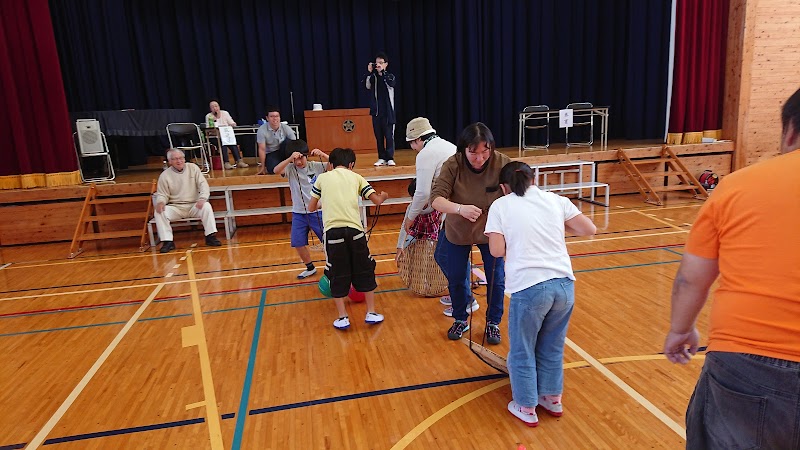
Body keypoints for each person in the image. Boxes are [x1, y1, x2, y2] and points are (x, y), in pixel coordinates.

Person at [663, 88, 800, 449]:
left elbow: (692, 277)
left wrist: (680, 330)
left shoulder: (739, 186)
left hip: (750, 359)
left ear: (789, 132)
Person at [485, 161, 596, 427]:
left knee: (523, 350)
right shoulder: (555, 201)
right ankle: (552, 398)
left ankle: (526, 405)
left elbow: (496, 250)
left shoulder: (501, 205)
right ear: (534, 180)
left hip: (530, 287)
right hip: (564, 286)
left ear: (504, 187)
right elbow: (588, 229)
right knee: (552, 346)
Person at [430, 122, 511, 343]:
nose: (480, 158)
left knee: (497, 278)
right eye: (473, 153)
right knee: (456, 277)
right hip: (458, 230)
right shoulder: (452, 165)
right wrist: (459, 209)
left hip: (491, 232)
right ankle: (460, 318)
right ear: (463, 149)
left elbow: (520, 191)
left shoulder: (502, 163)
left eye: (485, 152)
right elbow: (436, 199)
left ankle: (493, 322)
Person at [395, 117, 473, 315]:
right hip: (461, 206)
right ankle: (461, 295)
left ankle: (466, 299)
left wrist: (411, 217)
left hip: (455, 209)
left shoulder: (426, 154)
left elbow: (422, 193)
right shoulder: (448, 145)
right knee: (453, 254)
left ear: (417, 140)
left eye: (411, 143)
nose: (413, 148)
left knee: (445, 255)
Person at [308, 147, 389, 330]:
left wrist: (325, 201)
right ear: (351, 164)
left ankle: (343, 317)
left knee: (337, 272)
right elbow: (376, 200)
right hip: (355, 231)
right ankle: (371, 312)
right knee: (365, 269)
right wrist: (383, 195)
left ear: (330, 164)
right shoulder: (356, 177)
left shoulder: (322, 178)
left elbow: (311, 207)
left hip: (333, 233)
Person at [272, 139, 329, 279]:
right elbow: (276, 170)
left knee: (328, 241)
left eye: (301, 158)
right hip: (298, 213)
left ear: (306, 155)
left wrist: (323, 154)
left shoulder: (316, 166)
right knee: (298, 242)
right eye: (296, 159)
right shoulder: (290, 169)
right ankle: (310, 268)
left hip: (318, 212)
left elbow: (337, 165)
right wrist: (290, 159)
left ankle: (331, 265)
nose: (299, 162)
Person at [153, 148, 222, 253]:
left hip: (194, 205)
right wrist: (161, 203)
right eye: (175, 159)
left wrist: (202, 198)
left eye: (181, 158)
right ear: (170, 161)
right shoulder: (164, 175)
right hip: (175, 207)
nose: (179, 161)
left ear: (184, 159)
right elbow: (162, 194)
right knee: (159, 211)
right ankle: (167, 242)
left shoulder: (193, 168)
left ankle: (210, 237)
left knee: (206, 206)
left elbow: (203, 186)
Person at [363, 52, 397, 166]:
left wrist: (383, 73)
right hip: (376, 112)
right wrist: (369, 72)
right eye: (377, 63)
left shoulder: (389, 76)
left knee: (389, 136)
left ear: (386, 64)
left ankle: (390, 157)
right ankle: (381, 157)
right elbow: (367, 85)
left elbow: (391, 84)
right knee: (379, 137)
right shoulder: (373, 77)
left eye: (381, 63)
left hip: (388, 113)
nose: (378, 65)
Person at [204, 100, 248, 169]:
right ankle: (226, 162)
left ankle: (239, 161)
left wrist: (233, 124)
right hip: (215, 137)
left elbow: (232, 123)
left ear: (219, 107)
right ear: (210, 109)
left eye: (216, 106)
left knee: (232, 143)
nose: (215, 108)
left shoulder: (225, 113)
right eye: (212, 107)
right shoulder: (209, 116)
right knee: (223, 144)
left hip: (226, 135)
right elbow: (208, 128)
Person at [256, 106, 297, 175]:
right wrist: (263, 167)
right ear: (267, 118)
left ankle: (293, 166)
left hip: (284, 151)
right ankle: (285, 168)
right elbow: (262, 149)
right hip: (271, 153)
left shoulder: (286, 128)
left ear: (280, 117)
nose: (275, 118)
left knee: (289, 142)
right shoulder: (261, 130)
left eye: (277, 116)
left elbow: (295, 144)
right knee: (272, 170)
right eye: (272, 116)